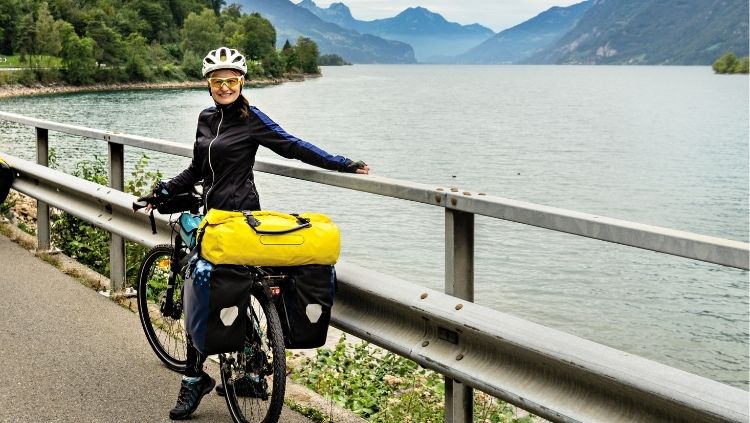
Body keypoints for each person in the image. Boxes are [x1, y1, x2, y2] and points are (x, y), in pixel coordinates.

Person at [146, 46, 368, 420]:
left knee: (200, 285)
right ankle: (244, 369)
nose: (224, 87)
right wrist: (166, 188)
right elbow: (198, 169)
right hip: (213, 217)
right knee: (221, 287)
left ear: (242, 82)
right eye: (218, 81)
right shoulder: (205, 118)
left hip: (242, 219)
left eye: (231, 80)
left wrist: (341, 163)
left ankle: (193, 378)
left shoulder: (252, 119)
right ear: (208, 85)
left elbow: (293, 146)